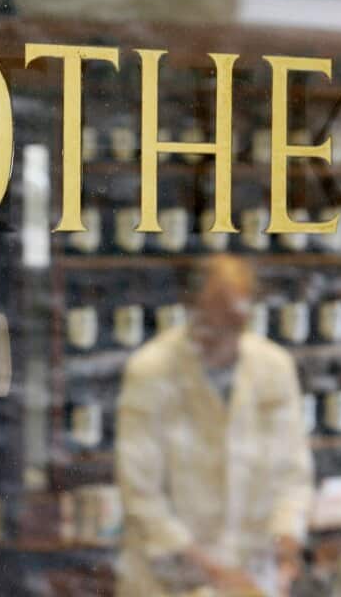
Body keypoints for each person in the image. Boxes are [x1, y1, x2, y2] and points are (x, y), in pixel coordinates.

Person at [115, 255, 314, 597]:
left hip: (253, 577)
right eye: (216, 310)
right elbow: (141, 496)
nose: (227, 322)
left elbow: (292, 475)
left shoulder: (274, 367)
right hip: (168, 582)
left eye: (237, 312)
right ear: (193, 305)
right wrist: (216, 573)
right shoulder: (150, 371)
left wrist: (286, 547)